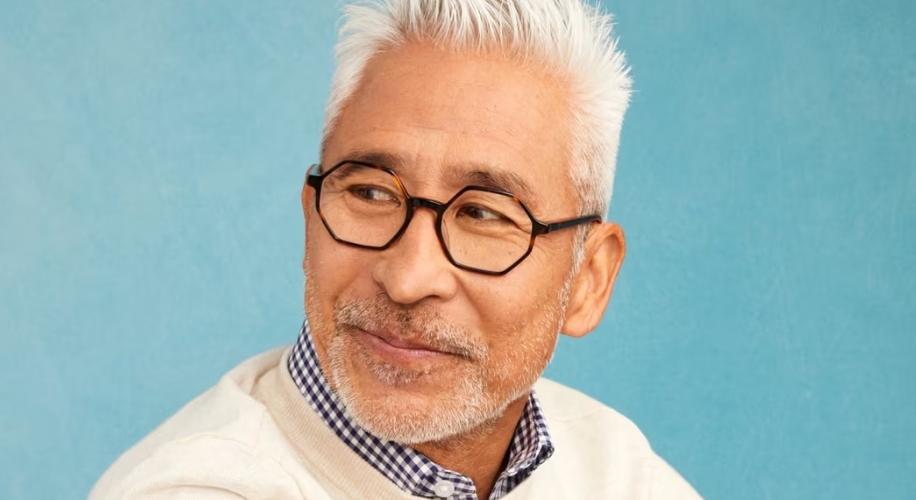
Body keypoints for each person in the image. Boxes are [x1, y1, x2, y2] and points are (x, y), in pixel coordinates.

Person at [89, 0, 703, 498]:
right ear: (311, 222)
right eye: (371, 192)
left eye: (484, 213)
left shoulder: (621, 476)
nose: (408, 277)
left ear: (588, 280)